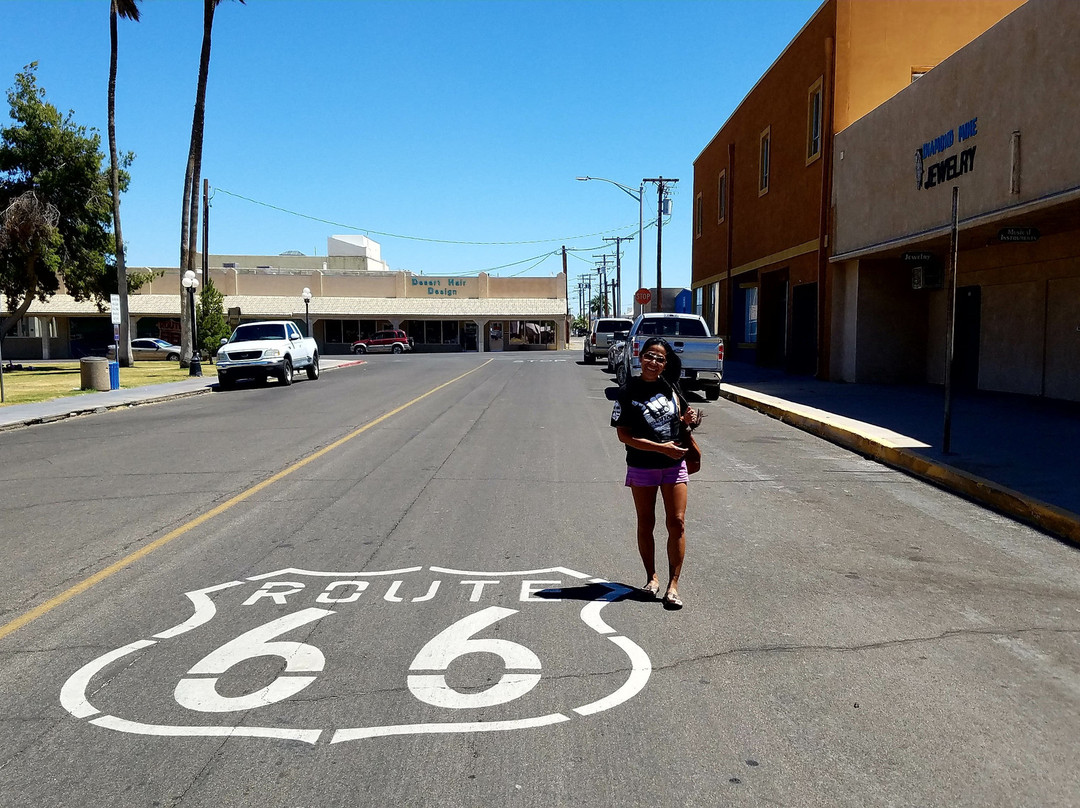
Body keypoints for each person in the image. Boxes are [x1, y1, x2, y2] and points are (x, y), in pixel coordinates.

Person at [610, 337, 701, 609]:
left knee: (677, 522)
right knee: (645, 521)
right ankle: (651, 578)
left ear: (665, 364)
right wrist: (660, 448)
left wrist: (690, 419)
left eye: (660, 359)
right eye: (650, 356)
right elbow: (623, 435)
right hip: (642, 465)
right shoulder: (627, 391)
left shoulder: (671, 387)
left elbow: (684, 419)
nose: (654, 362)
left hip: (674, 464)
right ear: (641, 357)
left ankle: (673, 585)